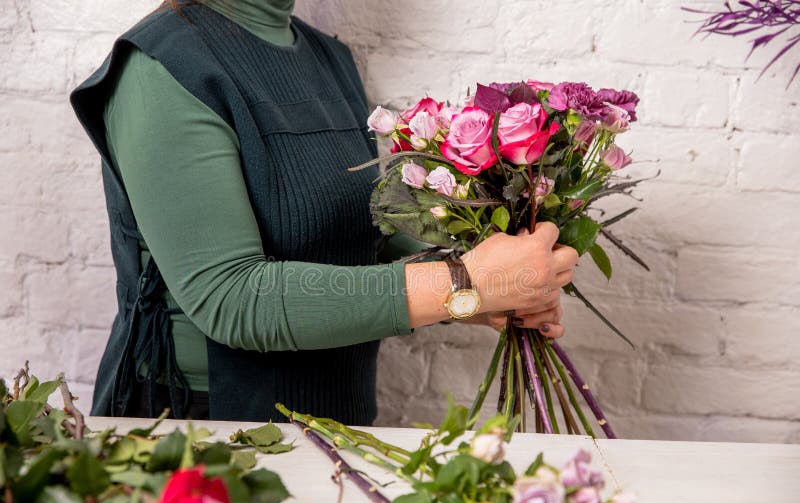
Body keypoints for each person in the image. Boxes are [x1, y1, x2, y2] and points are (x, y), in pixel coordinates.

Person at [70, 0, 578, 424]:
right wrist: (460, 283)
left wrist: (488, 292)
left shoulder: (328, 57)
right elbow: (227, 296)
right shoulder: (162, 67)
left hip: (336, 414)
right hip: (209, 430)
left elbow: (364, 232)